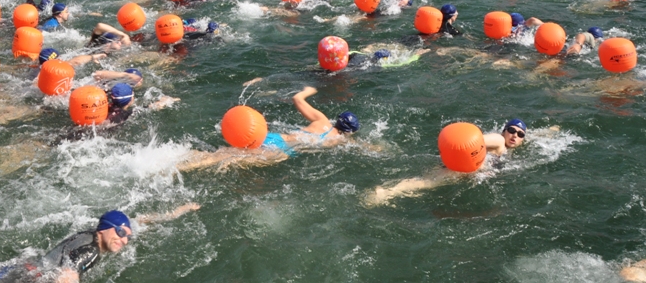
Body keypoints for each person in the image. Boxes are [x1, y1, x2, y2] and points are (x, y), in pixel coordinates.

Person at [0, 205, 199, 282]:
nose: (124, 240)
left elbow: (139, 220)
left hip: (21, 269)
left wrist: (176, 212)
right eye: (120, 232)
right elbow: (67, 276)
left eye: (128, 236)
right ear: (104, 229)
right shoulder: (91, 251)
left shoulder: (90, 235)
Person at [178, 87, 360, 172]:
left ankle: (182, 156)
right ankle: (181, 167)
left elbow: (297, 99)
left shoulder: (321, 120)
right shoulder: (338, 141)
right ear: (349, 132)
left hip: (272, 137)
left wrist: (310, 89)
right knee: (228, 160)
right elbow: (361, 148)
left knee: (223, 153)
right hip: (281, 151)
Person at [365, 118, 528, 206]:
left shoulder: (507, 148)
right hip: (461, 168)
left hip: (467, 170)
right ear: (504, 130)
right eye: (512, 130)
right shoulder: (499, 140)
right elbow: (477, 141)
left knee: (426, 182)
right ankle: (385, 193)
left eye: (520, 134)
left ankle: (390, 190)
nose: (515, 135)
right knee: (424, 183)